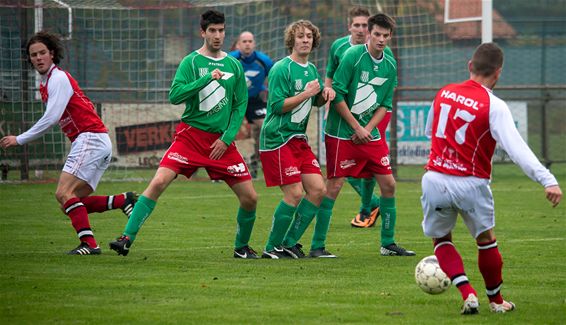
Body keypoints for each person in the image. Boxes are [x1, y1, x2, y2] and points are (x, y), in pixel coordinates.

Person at [421, 42, 562, 314]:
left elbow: (430, 132)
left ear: (470, 66)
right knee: (486, 240)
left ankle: (467, 292)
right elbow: (517, 149)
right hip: (471, 183)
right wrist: (547, 180)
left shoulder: (444, 92)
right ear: (498, 73)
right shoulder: (494, 106)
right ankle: (496, 302)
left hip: (435, 178)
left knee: (440, 240)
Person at [109, 10, 260, 259]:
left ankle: (241, 248)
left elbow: (240, 104)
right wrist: (205, 80)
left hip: (220, 143)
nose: (217, 35)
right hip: (190, 138)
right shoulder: (191, 62)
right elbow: (175, 96)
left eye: (221, 30)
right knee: (158, 182)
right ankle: (126, 238)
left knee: (250, 198)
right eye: (212, 30)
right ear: (202, 32)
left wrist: (226, 138)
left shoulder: (234, 65)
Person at [0, 31, 137, 255]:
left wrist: (20, 138)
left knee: (63, 194)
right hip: (94, 140)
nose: (38, 58)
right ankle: (122, 200)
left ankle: (90, 245)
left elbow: (51, 118)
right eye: (33, 55)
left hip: (89, 138)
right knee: (72, 201)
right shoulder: (48, 82)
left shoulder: (58, 78)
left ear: (52, 54)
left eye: (42, 52)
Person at [324, 13, 415, 256]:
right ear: (368, 34)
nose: (381, 39)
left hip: (369, 132)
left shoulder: (391, 64)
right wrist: (356, 127)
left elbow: (385, 103)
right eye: (377, 34)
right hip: (343, 132)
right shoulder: (352, 55)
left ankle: (387, 243)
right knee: (333, 186)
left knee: (388, 184)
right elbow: (338, 94)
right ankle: (317, 246)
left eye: (386, 35)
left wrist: (368, 129)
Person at [259, 20, 335, 259]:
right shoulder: (281, 68)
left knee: (318, 189)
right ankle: (271, 247)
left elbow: (314, 102)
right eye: (300, 36)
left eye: (309, 37)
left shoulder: (311, 70)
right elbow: (277, 106)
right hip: (278, 138)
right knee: (294, 193)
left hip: (299, 140)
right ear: (292, 40)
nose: (305, 40)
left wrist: (324, 95)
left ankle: (290, 242)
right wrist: (307, 93)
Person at [325, 7, 394, 228]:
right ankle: (370, 206)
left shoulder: (388, 58)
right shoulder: (341, 48)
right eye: (358, 25)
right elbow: (331, 77)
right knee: (342, 172)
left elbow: (385, 97)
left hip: (373, 115)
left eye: (365, 25)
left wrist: (366, 127)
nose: (362, 29)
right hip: (346, 113)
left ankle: (367, 209)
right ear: (350, 27)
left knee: (372, 163)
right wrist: (329, 100)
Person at [229, 31, 274, 179]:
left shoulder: (264, 61)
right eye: (244, 41)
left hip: (255, 100)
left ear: (254, 44)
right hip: (235, 101)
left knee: (267, 127)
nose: (247, 44)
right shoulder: (231, 60)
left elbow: (275, 78)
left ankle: (257, 162)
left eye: (250, 41)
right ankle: (221, 165)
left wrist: (267, 91)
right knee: (224, 131)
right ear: (238, 45)